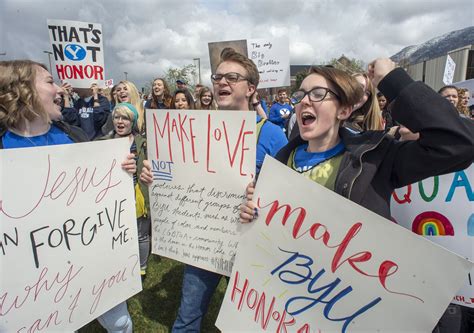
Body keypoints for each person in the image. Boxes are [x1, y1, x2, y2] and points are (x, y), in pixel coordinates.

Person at [0, 60, 154, 332]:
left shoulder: (75, 137)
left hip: (89, 256)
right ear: (23, 90)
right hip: (33, 272)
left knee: (119, 323)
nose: (60, 89)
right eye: (49, 81)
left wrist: (121, 172)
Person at [240, 57, 472, 237]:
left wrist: (394, 81)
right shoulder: (281, 161)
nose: (304, 101)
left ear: (344, 111)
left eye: (318, 94)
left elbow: (458, 144)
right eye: (300, 95)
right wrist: (254, 211)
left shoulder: (375, 158)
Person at [172, 48, 287, 332]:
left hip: (251, 247)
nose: (221, 82)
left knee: (248, 324)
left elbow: (287, 200)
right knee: (186, 319)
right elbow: (180, 176)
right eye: (218, 76)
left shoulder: (272, 135)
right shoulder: (198, 130)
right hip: (204, 242)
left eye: (232, 77)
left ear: (250, 88)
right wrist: (156, 175)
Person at [98, 102, 151, 277]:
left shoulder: (143, 143)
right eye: (116, 117)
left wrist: (141, 168)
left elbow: (153, 168)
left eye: (125, 118)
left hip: (138, 194)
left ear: (133, 121)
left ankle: (141, 267)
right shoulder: (102, 142)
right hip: (113, 196)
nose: (120, 121)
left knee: (141, 234)